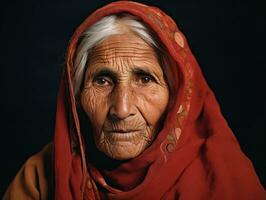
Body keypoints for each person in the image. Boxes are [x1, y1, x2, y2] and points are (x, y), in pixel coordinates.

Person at [3, 1, 266, 199]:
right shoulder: (40, 176)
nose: (122, 109)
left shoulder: (224, 178)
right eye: (102, 81)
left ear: (177, 98)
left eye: (145, 79)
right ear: (76, 94)